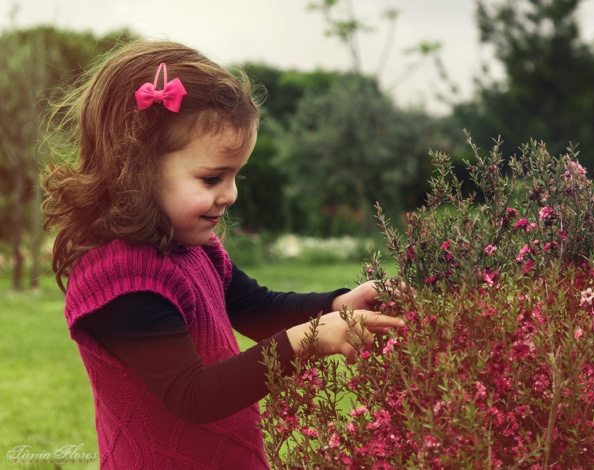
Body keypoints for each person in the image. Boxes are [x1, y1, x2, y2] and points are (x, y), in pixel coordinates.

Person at [41, 40, 404, 470]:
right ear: (136, 167)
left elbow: (258, 307)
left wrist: (337, 305)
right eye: (212, 177)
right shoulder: (120, 280)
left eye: (235, 175)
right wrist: (310, 338)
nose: (230, 194)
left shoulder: (193, 252)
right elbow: (193, 396)